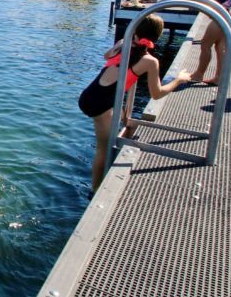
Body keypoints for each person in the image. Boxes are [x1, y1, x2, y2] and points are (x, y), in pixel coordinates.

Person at [78, 14, 192, 192]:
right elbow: (157, 93)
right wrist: (179, 79)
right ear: (156, 36)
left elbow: (106, 55)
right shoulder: (150, 61)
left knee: (115, 117)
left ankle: (122, 114)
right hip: (99, 103)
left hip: (90, 94)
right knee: (104, 149)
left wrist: (120, 43)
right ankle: (95, 191)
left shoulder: (124, 44)